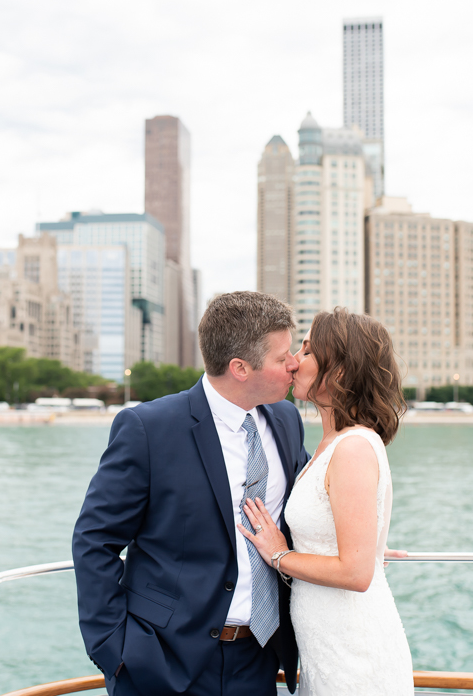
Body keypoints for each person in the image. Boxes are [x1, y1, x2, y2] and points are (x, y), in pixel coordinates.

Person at [72, 291, 308, 695]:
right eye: (281, 357)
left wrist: (352, 544)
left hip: (260, 658)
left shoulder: (285, 419)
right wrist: (118, 652)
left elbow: (304, 507)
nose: (295, 364)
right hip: (163, 661)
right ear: (240, 368)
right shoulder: (148, 428)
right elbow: (95, 541)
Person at [239, 308, 414, 695]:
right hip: (326, 648)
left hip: (353, 654)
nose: (294, 361)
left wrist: (279, 555)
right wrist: (372, 545)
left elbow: (356, 573)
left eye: (306, 350)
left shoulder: (351, 448)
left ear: (337, 372)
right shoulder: (332, 443)